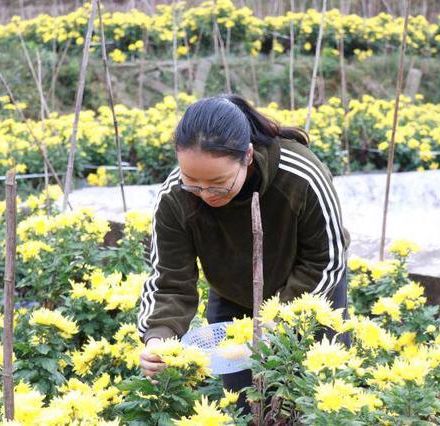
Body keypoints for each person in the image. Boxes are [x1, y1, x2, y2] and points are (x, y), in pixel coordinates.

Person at [137, 94, 350, 412]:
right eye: (192, 182)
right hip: (236, 299)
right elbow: (169, 280)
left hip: (309, 299)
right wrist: (159, 338)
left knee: (317, 401)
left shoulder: (300, 176)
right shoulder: (175, 197)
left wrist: (277, 324)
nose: (205, 193)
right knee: (245, 406)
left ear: (248, 156)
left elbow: (326, 259)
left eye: (218, 183)